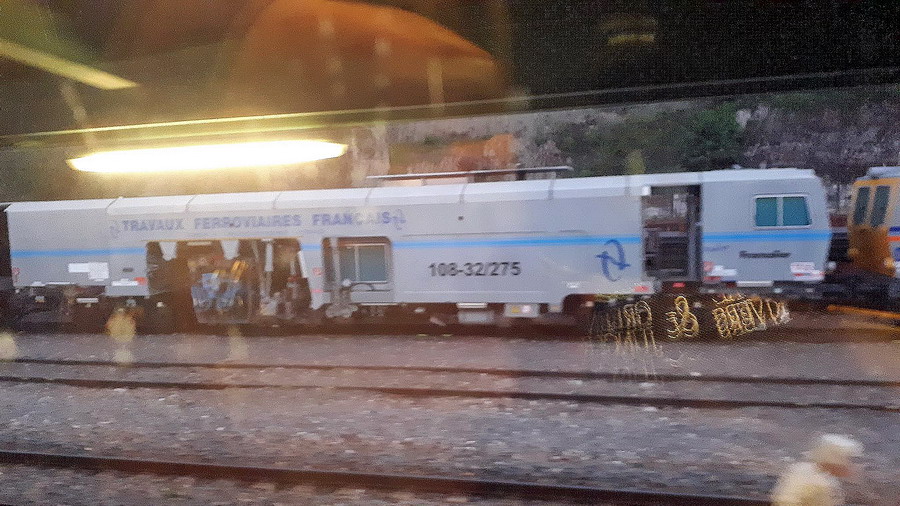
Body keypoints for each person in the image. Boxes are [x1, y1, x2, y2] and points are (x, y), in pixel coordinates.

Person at [771, 434, 863, 506]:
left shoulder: (827, 478)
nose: (850, 465)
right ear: (835, 459)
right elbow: (786, 502)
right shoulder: (805, 476)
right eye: (848, 459)